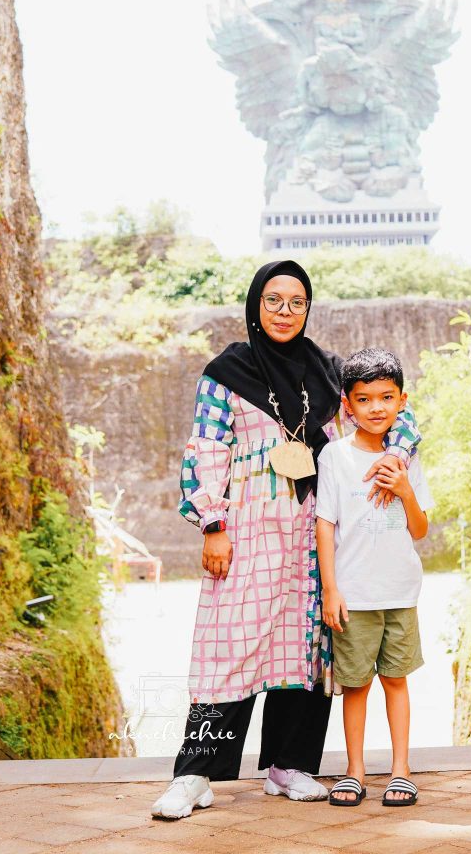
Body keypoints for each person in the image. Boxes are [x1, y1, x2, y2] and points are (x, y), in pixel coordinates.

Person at [151, 261, 422, 819]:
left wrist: (396, 454)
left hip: (309, 533)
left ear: (308, 309)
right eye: (273, 300)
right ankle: (195, 773)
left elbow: (396, 413)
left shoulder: (326, 372)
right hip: (245, 530)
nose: (284, 311)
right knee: (227, 649)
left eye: (296, 302)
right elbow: (205, 449)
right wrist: (213, 526)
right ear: (255, 305)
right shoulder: (226, 372)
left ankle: (288, 765)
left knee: (303, 651)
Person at [315, 347, 432, 808]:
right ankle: (355, 771)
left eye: (386, 397)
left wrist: (403, 488)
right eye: (365, 399)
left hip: (400, 590)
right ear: (348, 404)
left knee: (397, 681)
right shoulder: (334, 457)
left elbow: (420, 530)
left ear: (402, 400)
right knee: (356, 685)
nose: (376, 407)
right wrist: (331, 588)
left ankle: (401, 770)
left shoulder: (409, 460)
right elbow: (325, 524)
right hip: (354, 593)